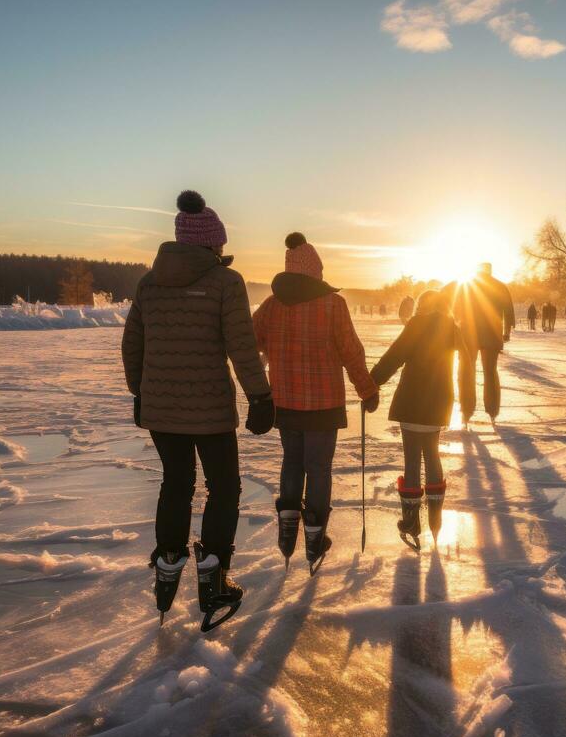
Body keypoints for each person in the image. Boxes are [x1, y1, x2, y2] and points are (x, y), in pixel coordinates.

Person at [122, 190, 274, 628]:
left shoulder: (149, 283)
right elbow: (241, 347)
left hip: (162, 411)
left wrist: (141, 393)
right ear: (212, 243)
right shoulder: (226, 283)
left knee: (176, 482)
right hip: (209, 409)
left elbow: (133, 343)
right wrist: (260, 397)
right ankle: (214, 578)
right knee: (224, 487)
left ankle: (168, 565)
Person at [253, 232, 378, 572]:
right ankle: (314, 537)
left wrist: (260, 385)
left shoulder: (271, 305)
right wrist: (367, 390)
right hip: (323, 404)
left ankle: (288, 533)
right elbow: (351, 351)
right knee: (318, 467)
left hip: (286, 402)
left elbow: (251, 342)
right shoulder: (332, 304)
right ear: (316, 270)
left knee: (293, 463)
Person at [370, 290, 465, 548]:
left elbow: (395, 356)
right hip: (437, 405)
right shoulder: (451, 328)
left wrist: (372, 381)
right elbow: (467, 353)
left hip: (412, 403)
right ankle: (435, 518)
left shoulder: (416, 325)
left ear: (421, 306)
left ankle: (411, 522)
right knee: (432, 455)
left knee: (412, 461)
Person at [448, 263, 515, 425]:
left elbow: (455, 309)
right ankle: (492, 410)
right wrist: (506, 332)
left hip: (468, 334)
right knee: (490, 372)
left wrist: (454, 328)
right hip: (492, 335)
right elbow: (509, 311)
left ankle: (467, 409)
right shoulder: (500, 286)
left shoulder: (467, 286)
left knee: (466, 370)